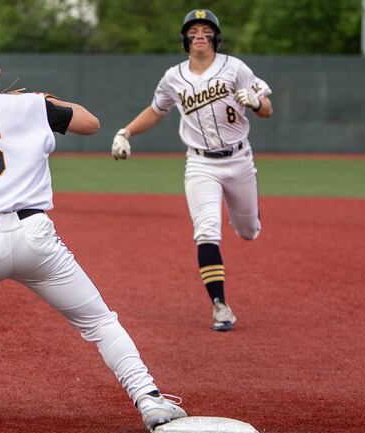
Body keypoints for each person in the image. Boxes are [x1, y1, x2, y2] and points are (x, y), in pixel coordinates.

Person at [0, 40, 186, 431]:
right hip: (37, 237)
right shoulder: (31, 106)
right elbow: (90, 123)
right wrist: (44, 100)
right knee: (100, 321)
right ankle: (150, 399)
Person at [111, 9, 273, 332]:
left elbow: (267, 109)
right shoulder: (174, 77)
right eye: (193, 31)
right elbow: (157, 111)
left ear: (215, 37)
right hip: (200, 163)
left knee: (248, 231)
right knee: (206, 231)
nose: (200, 35)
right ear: (185, 39)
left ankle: (238, 211)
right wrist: (125, 132)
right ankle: (220, 306)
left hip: (239, 159)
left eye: (206, 30)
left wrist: (254, 102)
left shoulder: (235, 68)